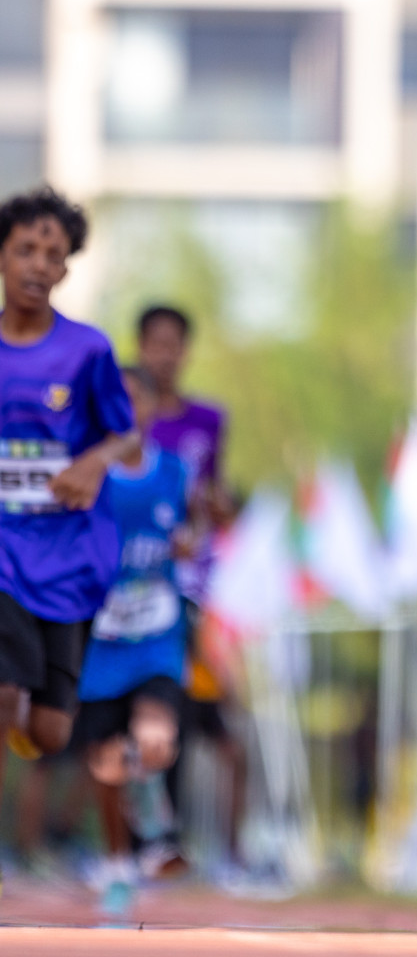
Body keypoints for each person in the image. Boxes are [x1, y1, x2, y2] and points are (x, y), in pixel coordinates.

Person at [0, 187, 138, 895]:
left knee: (49, 732)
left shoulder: (87, 351)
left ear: (65, 270)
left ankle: (30, 721)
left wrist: (91, 462)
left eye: (53, 254)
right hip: (3, 556)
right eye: (25, 248)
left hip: (71, 561)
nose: (37, 263)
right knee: (4, 689)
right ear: (2, 255)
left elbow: (127, 431)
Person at [73, 365, 193, 913]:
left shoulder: (173, 471)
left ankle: (150, 811)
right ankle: (121, 861)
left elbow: (187, 532)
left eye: (136, 399)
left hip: (157, 635)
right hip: (101, 638)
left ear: (150, 408)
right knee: (106, 764)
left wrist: (190, 542)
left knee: (155, 739)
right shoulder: (88, 477)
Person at [136, 304, 246, 875]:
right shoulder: (123, 420)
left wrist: (217, 509)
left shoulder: (207, 420)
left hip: (196, 593)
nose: (165, 354)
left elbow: (220, 501)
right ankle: (149, 841)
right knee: (156, 718)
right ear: (140, 347)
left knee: (207, 721)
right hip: (137, 594)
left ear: (186, 350)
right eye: (155, 342)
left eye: (174, 343)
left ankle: (219, 850)